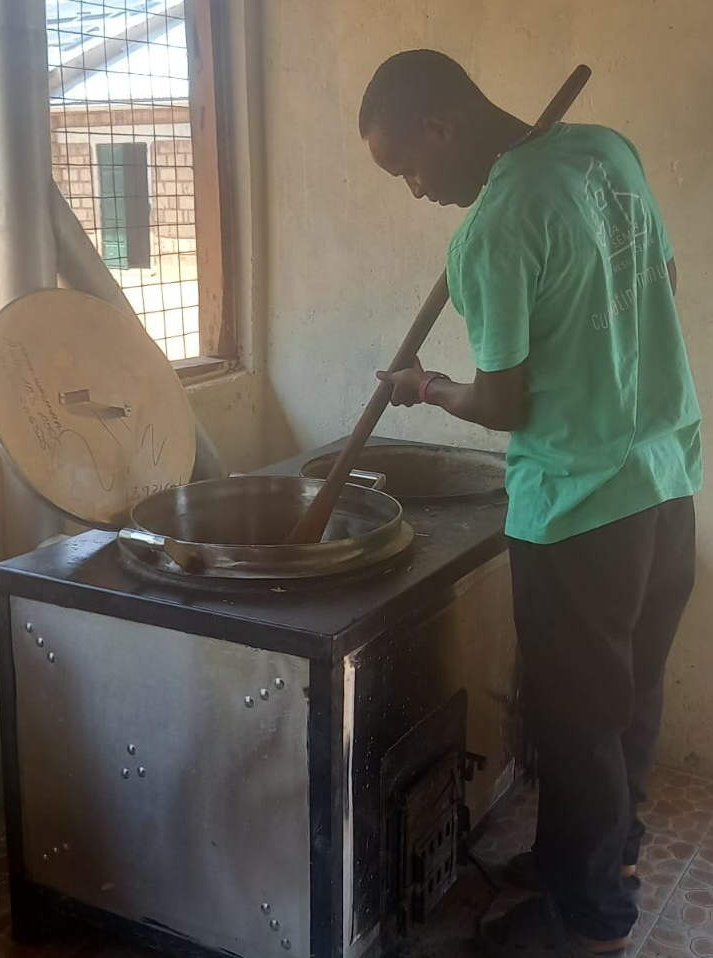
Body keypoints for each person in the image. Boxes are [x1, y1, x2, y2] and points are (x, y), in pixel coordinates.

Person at [359, 50, 702, 958]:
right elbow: (658, 288)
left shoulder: (494, 225)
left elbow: (501, 404)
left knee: (576, 721)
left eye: (410, 167)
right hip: (667, 485)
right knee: (623, 702)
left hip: (580, 510)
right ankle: (592, 861)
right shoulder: (607, 153)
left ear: (441, 125)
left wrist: (425, 386)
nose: (417, 188)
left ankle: (589, 920)